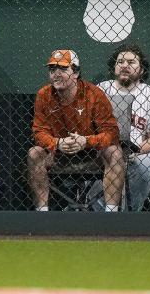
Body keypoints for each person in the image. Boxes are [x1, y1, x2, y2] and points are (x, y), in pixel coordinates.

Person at [27, 49, 123, 211]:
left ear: (76, 73)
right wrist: (57, 143)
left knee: (115, 152)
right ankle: (42, 214)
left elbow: (111, 133)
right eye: (52, 70)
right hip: (57, 154)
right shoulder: (43, 95)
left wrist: (86, 141)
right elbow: (39, 131)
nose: (56, 74)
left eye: (63, 69)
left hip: (92, 155)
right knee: (34, 153)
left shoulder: (94, 94)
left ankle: (111, 214)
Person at [96, 44, 150, 211]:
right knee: (100, 162)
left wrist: (137, 151)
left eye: (131, 62)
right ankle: (101, 216)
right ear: (114, 67)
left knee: (143, 167)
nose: (124, 65)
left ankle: (130, 214)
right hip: (103, 149)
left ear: (141, 70)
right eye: (120, 61)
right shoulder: (100, 90)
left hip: (140, 151)